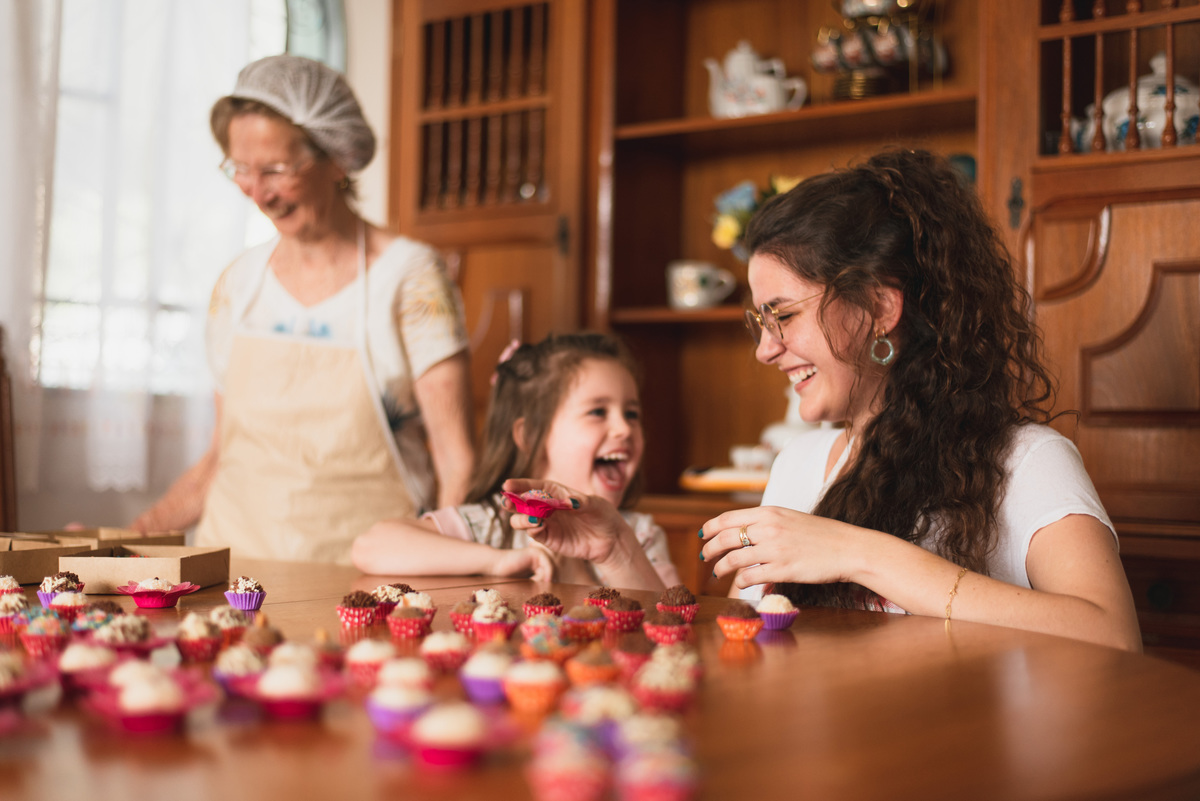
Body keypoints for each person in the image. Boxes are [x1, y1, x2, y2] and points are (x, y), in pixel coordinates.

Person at [700, 148, 1142, 652]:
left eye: (783, 316)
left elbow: (1114, 637)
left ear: (879, 307)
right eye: (760, 322)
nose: (765, 349)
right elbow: (748, 640)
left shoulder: (1027, 461)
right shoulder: (795, 466)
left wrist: (856, 552)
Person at [131, 55, 474, 564]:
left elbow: (456, 463)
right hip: (229, 577)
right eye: (241, 169)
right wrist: (123, 540)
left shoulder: (410, 279)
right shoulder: (238, 285)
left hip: (364, 581)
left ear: (336, 159)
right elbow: (221, 458)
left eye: (276, 170)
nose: (258, 192)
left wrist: (448, 572)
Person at [353, 332, 680, 592]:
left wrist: (615, 553)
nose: (624, 428)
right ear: (530, 435)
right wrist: (495, 562)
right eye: (598, 412)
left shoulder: (639, 535)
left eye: (632, 414)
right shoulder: (491, 524)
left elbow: (671, 624)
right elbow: (371, 547)